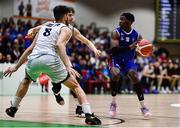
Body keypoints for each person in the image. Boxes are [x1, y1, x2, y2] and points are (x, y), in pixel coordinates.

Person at [4, 5, 101, 125]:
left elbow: (30, 48)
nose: (71, 17)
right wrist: (68, 65)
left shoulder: (46, 26)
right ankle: (88, 115)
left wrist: (16, 66)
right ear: (66, 16)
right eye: (69, 14)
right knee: (75, 85)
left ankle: (13, 108)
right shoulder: (66, 29)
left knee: (26, 80)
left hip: (34, 59)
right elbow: (60, 45)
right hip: (52, 60)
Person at [108, 12, 151, 118]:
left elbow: (141, 49)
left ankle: (143, 107)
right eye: (120, 19)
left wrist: (144, 50)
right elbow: (113, 51)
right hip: (116, 59)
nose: (120, 21)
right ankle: (113, 103)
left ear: (129, 21)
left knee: (134, 76)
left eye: (122, 19)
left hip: (129, 60)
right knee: (116, 74)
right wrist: (129, 47)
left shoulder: (137, 35)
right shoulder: (116, 32)